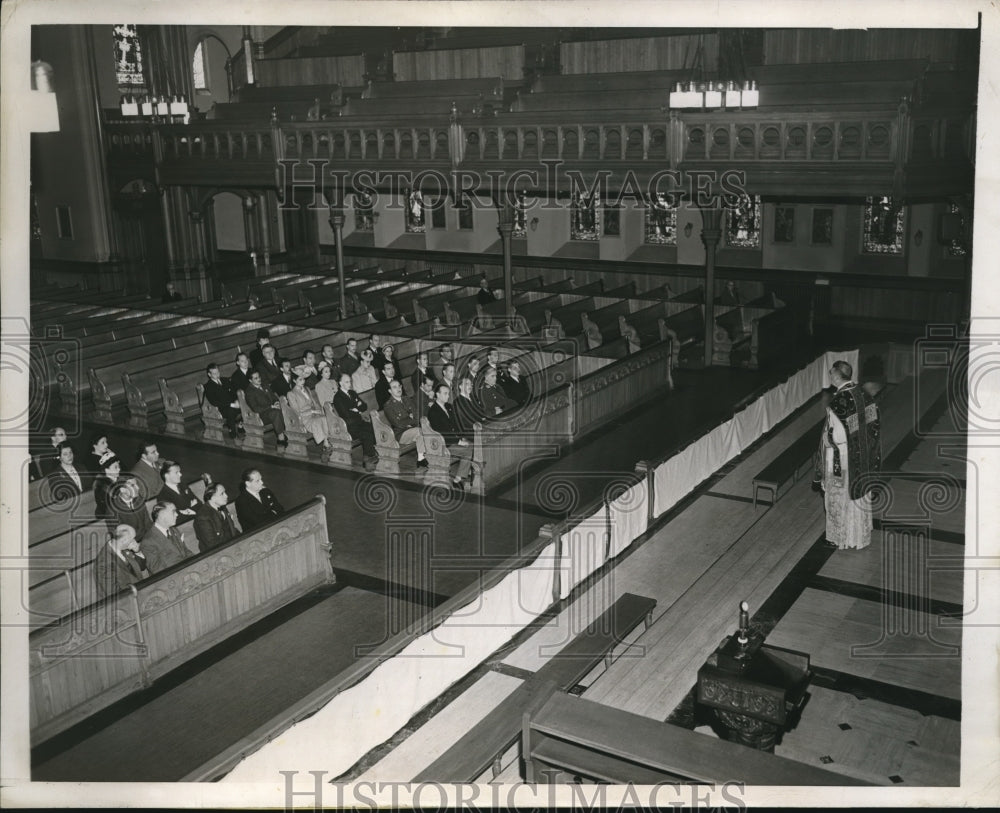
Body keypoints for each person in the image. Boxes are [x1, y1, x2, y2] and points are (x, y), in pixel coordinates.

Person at [817, 360, 881, 551]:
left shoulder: (839, 402)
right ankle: (859, 534)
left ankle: (839, 536)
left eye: (831, 373)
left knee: (839, 498)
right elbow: (873, 425)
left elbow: (838, 436)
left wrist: (826, 439)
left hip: (842, 459)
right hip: (863, 456)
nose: (830, 376)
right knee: (857, 495)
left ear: (837, 376)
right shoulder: (864, 394)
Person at [427, 383, 474, 489]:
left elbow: (457, 424)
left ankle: (466, 471)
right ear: (437, 395)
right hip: (444, 444)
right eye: (445, 393)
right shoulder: (433, 412)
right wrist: (459, 442)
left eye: (448, 393)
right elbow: (441, 434)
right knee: (469, 449)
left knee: (473, 444)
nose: (448, 396)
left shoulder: (448, 406)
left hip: (453, 440)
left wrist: (462, 436)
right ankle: (458, 479)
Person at [334, 373, 378, 470]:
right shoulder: (338, 397)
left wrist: (356, 409)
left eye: (350, 381)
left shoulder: (352, 393)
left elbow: (364, 406)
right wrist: (357, 406)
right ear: (340, 383)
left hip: (359, 421)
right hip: (349, 427)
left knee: (374, 428)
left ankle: (371, 455)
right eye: (347, 382)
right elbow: (346, 414)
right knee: (366, 434)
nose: (349, 384)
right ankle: (368, 459)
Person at [94, 524, 149, 598]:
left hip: (138, 592)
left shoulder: (124, 548)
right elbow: (114, 593)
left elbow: (142, 567)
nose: (134, 541)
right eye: (132, 539)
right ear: (124, 541)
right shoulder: (103, 562)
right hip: (125, 600)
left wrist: (137, 551)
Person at [382, 379, 427, 468]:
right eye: (394, 387)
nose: (398, 389)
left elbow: (417, 415)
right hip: (401, 433)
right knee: (420, 431)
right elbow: (398, 423)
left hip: (413, 429)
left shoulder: (407, 399)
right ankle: (421, 459)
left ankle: (423, 458)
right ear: (390, 391)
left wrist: (409, 420)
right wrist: (411, 419)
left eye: (399, 386)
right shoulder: (388, 405)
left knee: (425, 428)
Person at [287, 371, 333, 458]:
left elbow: (315, 403)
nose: (303, 381)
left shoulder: (307, 389)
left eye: (303, 379)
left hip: (314, 415)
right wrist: (312, 412)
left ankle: (326, 443)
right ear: (294, 380)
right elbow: (296, 411)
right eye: (300, 379)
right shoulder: (291, 394)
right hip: (304, 418)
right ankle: (326, 444)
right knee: (321, 420)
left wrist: (320, 410)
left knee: (325, 418)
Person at [142, 502, 192, 573]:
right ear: (162, 516)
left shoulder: (174, 530)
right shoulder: (148, 542)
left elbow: (186, 551)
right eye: (173, 512)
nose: (177, 514)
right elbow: (157, 569)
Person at [244, 370, 289, 448]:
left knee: (284, 408)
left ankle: (288, 433)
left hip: (272, 410)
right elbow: (255, 408)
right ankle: (281, 438)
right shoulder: (249, 392)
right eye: (256, 378)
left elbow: (274, 397)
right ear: (250, 380)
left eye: (259, 377)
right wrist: (271, 407)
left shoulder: (265, 385)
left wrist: (276, 402)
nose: (259, 379)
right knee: (276, 413)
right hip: (261, 415)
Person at [235, 468, 285, 533]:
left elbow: (280, 509)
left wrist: (270, 514)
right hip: (257, 534)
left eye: (261, 479)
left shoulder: (266, 492)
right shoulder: (241, 501)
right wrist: (273, 512)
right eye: (257, 481)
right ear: (248, 484)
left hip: (275, 527)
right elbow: (257, 521)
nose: (262, 482)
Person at [194, 483, 239, 552]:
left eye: (225, 492)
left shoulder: (222, 507)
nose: (226, 496)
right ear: (212, 498)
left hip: (231, 547)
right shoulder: (202, 517)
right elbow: (212, 544)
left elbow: (233, 530)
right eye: (222, 494)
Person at [203, 363, 244, 439]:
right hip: (220, 408)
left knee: (245, 405)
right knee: (230, 411)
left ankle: (241, 426)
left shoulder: (225, 380)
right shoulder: (208, 386)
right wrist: (231, 404)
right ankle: (233, 433)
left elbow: (234, 392)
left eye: (218, 372)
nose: (217, 374)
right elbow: (214, 402)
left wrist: (237, 401)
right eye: (214, 373)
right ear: (209, 374)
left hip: (233, 404)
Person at [106, 473, 153, 539]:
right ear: (122, 490)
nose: (138, 488)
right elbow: (119, 536)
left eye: (136, 484)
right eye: (133, 485)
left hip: (147, 539)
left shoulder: (139, 500)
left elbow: (148, 524)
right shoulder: (113, 509)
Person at [93, 456, 123, 525]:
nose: (119, 469)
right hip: (108, 520)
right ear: (106, 470)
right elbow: (112, 507)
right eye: (115, 467)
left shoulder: (118, 479)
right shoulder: (102, 486)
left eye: (118, 466)